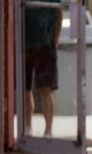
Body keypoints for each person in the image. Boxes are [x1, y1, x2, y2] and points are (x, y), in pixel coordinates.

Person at [24, 0, 62, 137]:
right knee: (24, 89)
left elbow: (59, 12)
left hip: (45, 44)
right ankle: (27, 128)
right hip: (25, 43)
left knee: (45, 89)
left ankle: (48, 130)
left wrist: (55, 39)